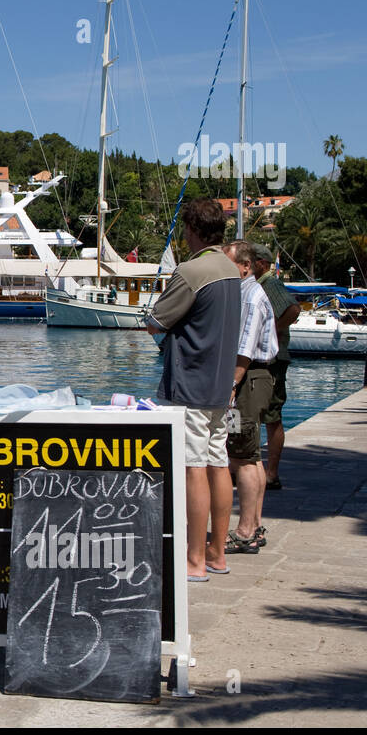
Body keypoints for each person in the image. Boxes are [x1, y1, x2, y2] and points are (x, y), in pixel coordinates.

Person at [145, 199, 242, 581]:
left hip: (190, 385)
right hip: (221, 386)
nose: (184, 236)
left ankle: (194, 560)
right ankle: (217, 554)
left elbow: (156, 321)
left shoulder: (192, 270)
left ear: (195, 230)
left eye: (186, 230)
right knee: (219, 464)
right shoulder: (232, 270)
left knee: (192, 466)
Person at [221, 241, 279, 556]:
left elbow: (244, 347)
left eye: (228, 265)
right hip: (254, 377)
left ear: (245, 266)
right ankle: (252, 526)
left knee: (242, 453)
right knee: (251, 454)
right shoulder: (246, 293)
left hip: (249, 378)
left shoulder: (250, 297)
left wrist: (231, 385)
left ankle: (244, 530)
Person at [251, 243, 299, 502]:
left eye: (250, 261)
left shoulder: (271, 284)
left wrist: (272, 330)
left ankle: (272, 472)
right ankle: (257, 469)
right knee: (260, 414)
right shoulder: (260, 285)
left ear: (261, 263)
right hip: (267, 359)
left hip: (273, 360)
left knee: (271, 415)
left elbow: (293, 309)